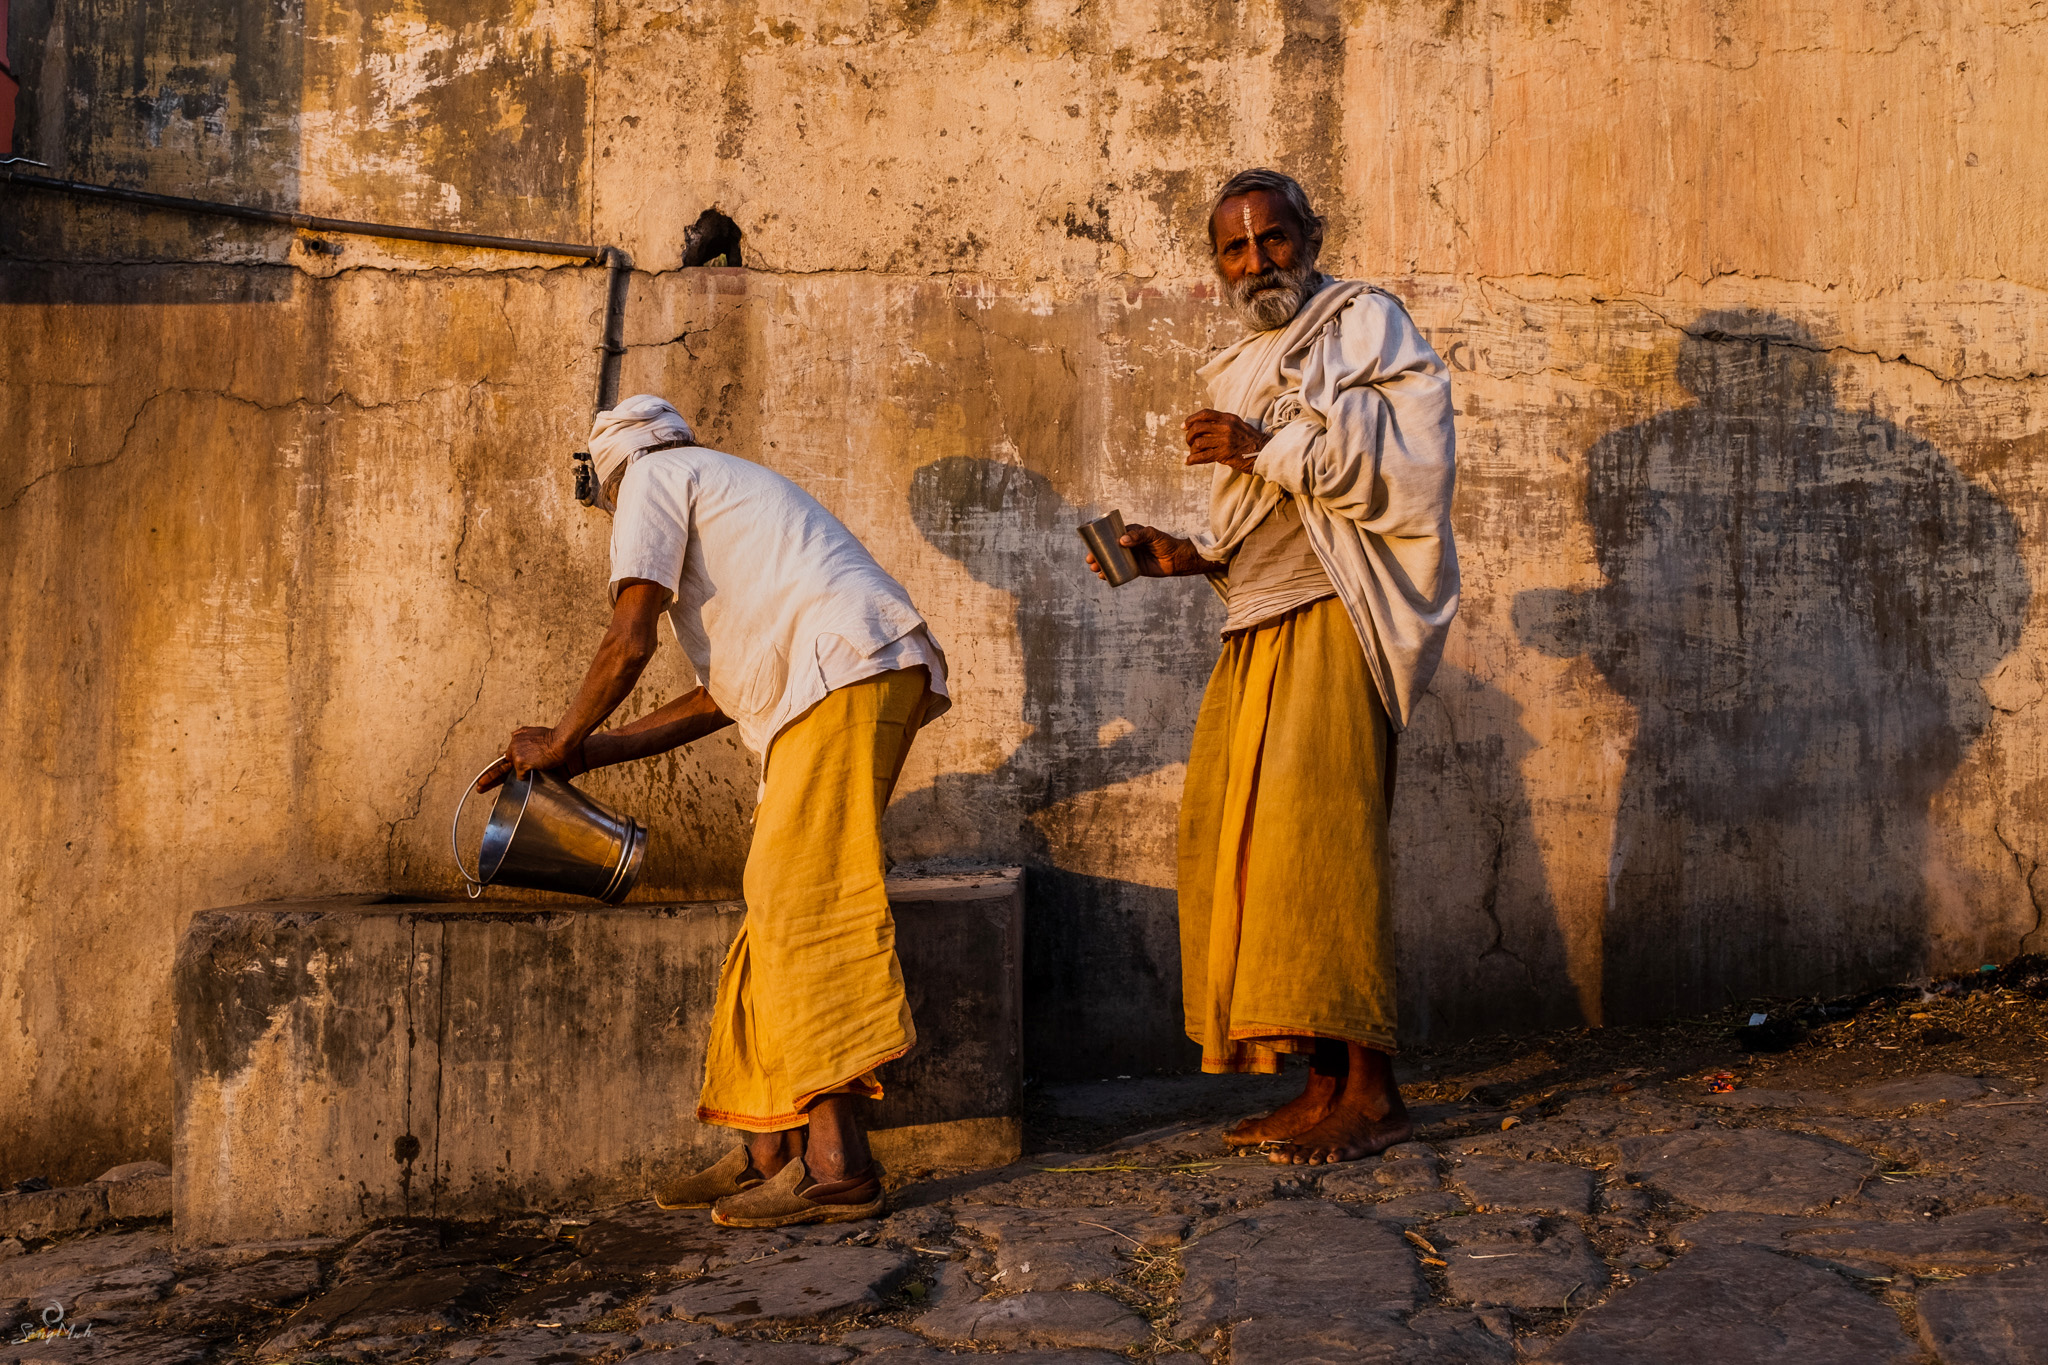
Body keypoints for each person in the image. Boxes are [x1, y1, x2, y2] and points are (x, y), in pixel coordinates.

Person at [481, 393, 950, 1225]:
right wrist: (587, 749)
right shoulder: (713, 483)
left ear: (604, 473)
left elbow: (630, 638)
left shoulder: (651, 482)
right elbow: (715, 697)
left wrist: (557, 736)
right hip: (851, 669)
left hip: (844, 670)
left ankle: (838, 1162)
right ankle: (769, 1144)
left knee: (805, 900)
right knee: (771, 905)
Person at [1088, 169, 1459, 1164]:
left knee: (1323, 850)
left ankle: (1374, 1094)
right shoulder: (1235, 367)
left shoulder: (1365, 324)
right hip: (1256, 622)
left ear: (1311, 235)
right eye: (1234, 248)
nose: (1257, 263)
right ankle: (1320, 1085)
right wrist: (1186, 557)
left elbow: (1412, 479)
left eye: (1273, 239)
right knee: (1255, 855)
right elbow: (1264, 522)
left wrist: (1265, 449)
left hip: (1335, 620)